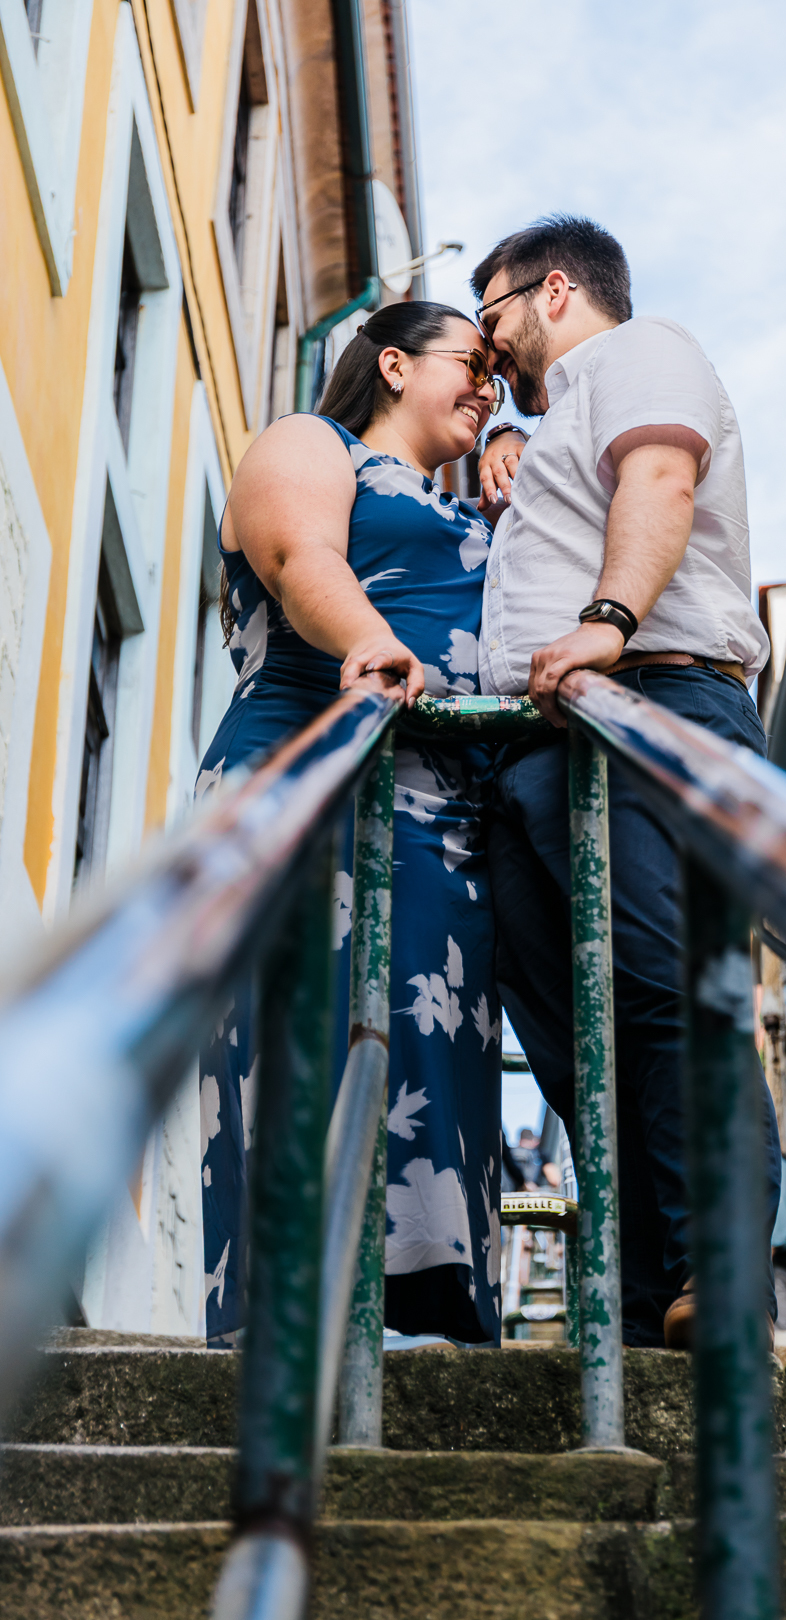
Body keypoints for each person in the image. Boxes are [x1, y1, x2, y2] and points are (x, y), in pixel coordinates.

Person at [470, 215, 783, 1350]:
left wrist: (607, 620)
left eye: (491, 315)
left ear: (554, 291)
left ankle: (723, 1261)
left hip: (652, 698)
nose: (486, 345)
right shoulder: (552, 418)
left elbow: (660, 474)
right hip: (539, 741)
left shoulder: (646, 353)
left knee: (658, 981)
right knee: (563, 1020)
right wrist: (513, 441)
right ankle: (656, 1290)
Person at [197, 301, 506, 1348]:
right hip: (315, 769)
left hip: (449, 823)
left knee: (433, 1057)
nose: (487, 387)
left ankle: (433, 1333)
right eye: (471, 364)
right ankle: (298, 1335)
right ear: (391, 363)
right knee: (314, 1032)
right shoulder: (310, 442)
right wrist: (372, 645)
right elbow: (296, 556)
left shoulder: (472, 504)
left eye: (500, 379)